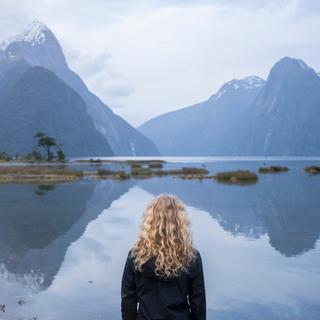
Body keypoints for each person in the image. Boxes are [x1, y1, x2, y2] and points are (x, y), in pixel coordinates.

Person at [121, 194, 206, 320]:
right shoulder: (191, 257)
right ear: (180, 223)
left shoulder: (136, 256)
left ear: (150, 222)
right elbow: (198, 305)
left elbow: (128, 301)